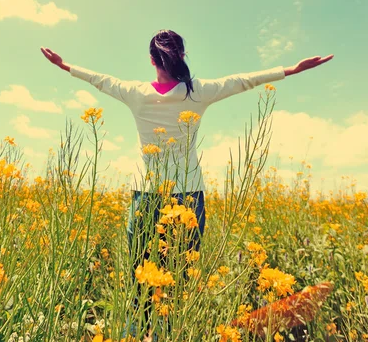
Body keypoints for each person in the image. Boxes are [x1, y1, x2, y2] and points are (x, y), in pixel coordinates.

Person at [41, 30, 334, 341]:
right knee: (180, 279)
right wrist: (291, 69)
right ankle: (167, 334)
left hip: (146, 195)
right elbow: (243, 80)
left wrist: (65, 65)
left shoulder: (135, 92)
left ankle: (134, 333)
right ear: (181, 56)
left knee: (139, 275)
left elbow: (100, 79)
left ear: (151, 60)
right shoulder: (197, 92)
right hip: (188, 195)